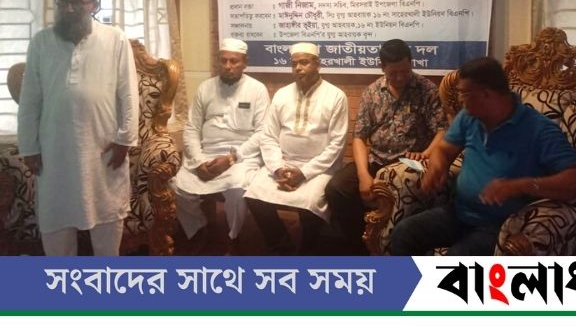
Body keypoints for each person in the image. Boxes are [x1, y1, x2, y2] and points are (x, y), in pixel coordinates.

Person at [390, 57, 576, 255]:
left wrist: (520, 185)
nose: (460, 100)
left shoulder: (539, 130)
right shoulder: (469, 117)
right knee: (403, 234)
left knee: (458, 257)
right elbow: (444, 150)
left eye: (464, 94)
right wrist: (438, 166)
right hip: (459, 212)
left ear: (486, 94)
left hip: (500, 224)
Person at [17, 0, 139, 256]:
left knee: (107, 223)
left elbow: (129, 93)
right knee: (56, 223)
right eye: (62, 2)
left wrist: (125, 140)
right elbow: (30, 99)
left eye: (77, 3)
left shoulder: (115, 39)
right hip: (54, 151)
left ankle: (106, 279)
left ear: (94, 5)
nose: (68, 9)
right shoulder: (42, 42)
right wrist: (29, 147)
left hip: (104, 149)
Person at [325, 39, 447, 254]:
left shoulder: (427, 90)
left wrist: (425, 154)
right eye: (393, 73)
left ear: (411, 63)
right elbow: (360, 137)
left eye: (404, 71)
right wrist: (363, 175)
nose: (400, 78)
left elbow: (442, 130)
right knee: (337, 188)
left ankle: (396, 246)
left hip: (410, 161)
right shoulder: (372, 92)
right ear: (382, 68)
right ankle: (362, 245)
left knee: (411, 191)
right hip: (377, 160)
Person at [244, 43, 348, 255]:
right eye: (294, 64)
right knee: (253, 194)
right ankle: (281, 245)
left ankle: (307, 251)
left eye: (304, 62)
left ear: (317, 64)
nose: (298, 68)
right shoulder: (282, 94)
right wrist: (278, 168)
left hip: (320, 168)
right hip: (284, 163)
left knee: (311, 202)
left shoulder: (336, 96)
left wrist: (303, 173)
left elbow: (336, 144)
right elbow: (268, 136)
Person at [174, 38, 269, 250]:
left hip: (241, 157)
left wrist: (231, 158)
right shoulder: (205, 88)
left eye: (234, 61)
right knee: (178, 186)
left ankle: (232, 237)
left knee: (237, 187)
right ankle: (197, 228)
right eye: (223, 60)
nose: (228, 66)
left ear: (245, 63)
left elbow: (263, 133)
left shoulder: (257, 90)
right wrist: (199, 160)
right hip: (206, 154)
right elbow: (192, 128)